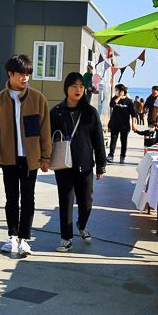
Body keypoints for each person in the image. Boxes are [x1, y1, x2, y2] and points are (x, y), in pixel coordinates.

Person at [0, 54, 51, 256]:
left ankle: (24, 239)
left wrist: (45, 157)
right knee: (11, 198)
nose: (25, 78)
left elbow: (45, 130)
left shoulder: (38, 99)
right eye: (21, 74)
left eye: (27, 74)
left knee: (28, 198)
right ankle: (12, 236)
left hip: (31, 159)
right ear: (10, 74)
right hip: (9, 158)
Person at [50, 72, 107, 252]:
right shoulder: (56, 112)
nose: (78, 90)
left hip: (85, 165)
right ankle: (66, 238)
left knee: (86, 202)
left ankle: (81, 225)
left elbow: (98, 139)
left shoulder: (90, 112)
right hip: (63, 165)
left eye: (81, 87)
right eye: (74, 86)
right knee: (65, 201)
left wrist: (101, 164)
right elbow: (46, 138)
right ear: (66, 88)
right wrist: (44, 159)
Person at [108, 84, 137, 163]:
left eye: (117, 90)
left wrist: (134, 124)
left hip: (124, 125)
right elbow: (112, 105)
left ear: (122, 91)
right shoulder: (115, 98)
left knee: (123, 142)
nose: (115, 91)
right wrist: (119, 97)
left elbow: (133, 114)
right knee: (113, 140)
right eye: (115, 90)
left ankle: (122, 156)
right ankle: (111, 155)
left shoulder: (129, 101)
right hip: (114, 124)